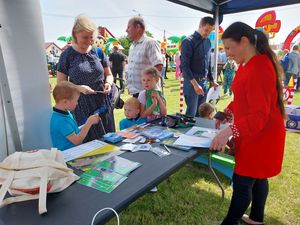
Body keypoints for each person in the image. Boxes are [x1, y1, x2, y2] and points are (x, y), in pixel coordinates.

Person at [210, 22, 286, 225]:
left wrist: (228, 132)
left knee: (244, 183)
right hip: (254, 132)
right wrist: (226, 112)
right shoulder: (249, 63)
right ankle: (256, 219)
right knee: (258, 177)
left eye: (228, 48)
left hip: (261, 135)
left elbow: (258, 115)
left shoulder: (259, 67)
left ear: (244, 41)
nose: (227, 53)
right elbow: (244, 98)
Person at [57, 15, 115, 142]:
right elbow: (61, 84)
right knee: (90, 145)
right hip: (81, 106)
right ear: (75, 34)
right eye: (85, 37)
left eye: (91, 37)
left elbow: (109, 74)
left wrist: (108, 83)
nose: (89, 41)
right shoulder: (66, 55)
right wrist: (78, 88)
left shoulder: (98, 52)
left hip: (103, 104)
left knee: (110, 141)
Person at [181, 16, 218, 117]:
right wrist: (195, 84)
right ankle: (187, 133)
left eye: (210, 31)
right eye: (206, 30)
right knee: (191, 114)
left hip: (205, 82)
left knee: (202, 114)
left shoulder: (208, 42)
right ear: (200, 26)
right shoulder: (188, 41)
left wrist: (211, 80)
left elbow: (208, 63)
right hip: (192, 83)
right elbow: (185, 66)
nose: (208, 33)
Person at [50, 81, 100, 151]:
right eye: (76, 100)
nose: (77, 103)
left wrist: (86, 124)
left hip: (74, 152)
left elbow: (74, 131)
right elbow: (77, 141)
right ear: (65, 102)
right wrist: (89, 123)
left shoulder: (65, 113)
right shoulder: (60, 120)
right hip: (67, 156)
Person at [126, 16, 163, 97]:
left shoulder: (150, 43)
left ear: (138, 27)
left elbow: (158, 66)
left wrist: (149, 89)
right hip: (136, 93)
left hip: (148, 94)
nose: (126, 30)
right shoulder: (132, 46)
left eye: (128, 27)